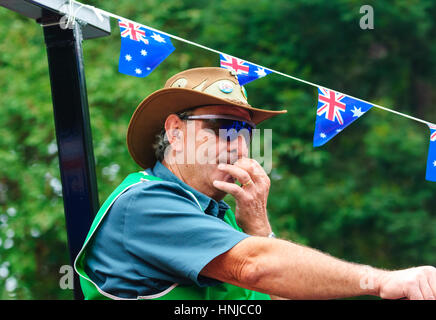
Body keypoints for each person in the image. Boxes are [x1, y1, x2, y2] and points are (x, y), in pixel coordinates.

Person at [75, 67, 436, 300]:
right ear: (175, 132)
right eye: (222, 127)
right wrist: (379, 280)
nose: (240, 143)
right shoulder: (145, 202)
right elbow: (256, 267)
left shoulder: (218, 215)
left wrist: (259, 226)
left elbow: (272, 289)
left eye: (246, 130)